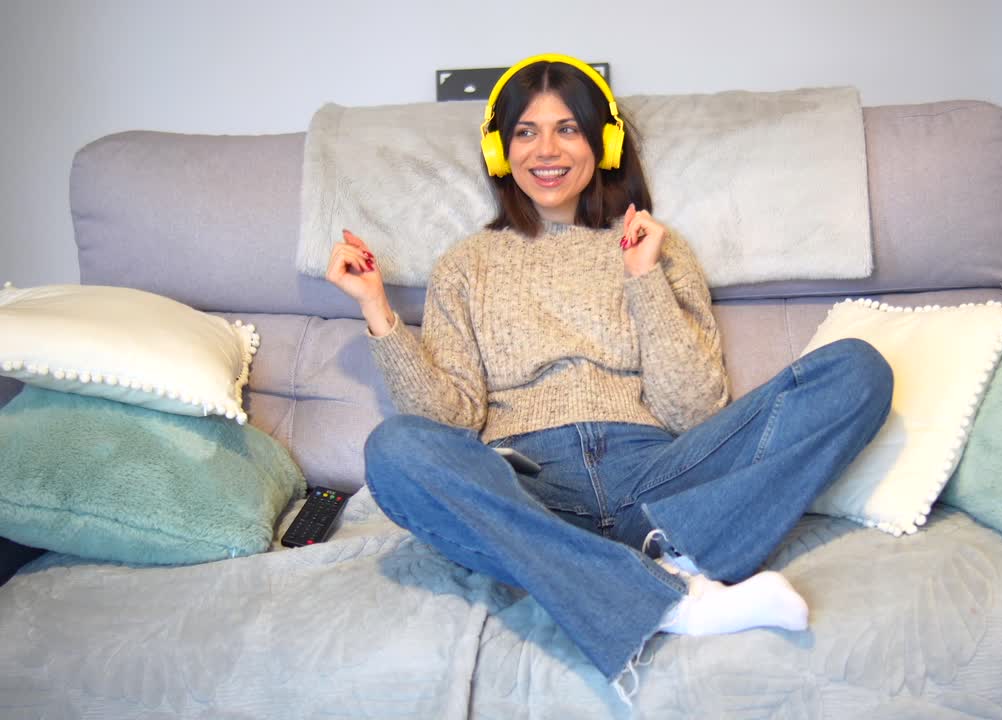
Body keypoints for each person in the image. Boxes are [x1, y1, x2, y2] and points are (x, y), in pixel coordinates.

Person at [325, 53, 893, 701]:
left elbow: (696, 411)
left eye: (568, 129)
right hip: (534, 493)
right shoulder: (464, 265)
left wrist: (642, 278)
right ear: (499, 149)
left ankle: (651, 556)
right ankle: (673, 595)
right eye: (525, 132)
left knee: (858, 371)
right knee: (394, 449)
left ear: (605, 141)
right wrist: (377, 308)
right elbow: (449, 421)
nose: (547, 150)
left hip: (662, 476)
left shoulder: (656, 245)